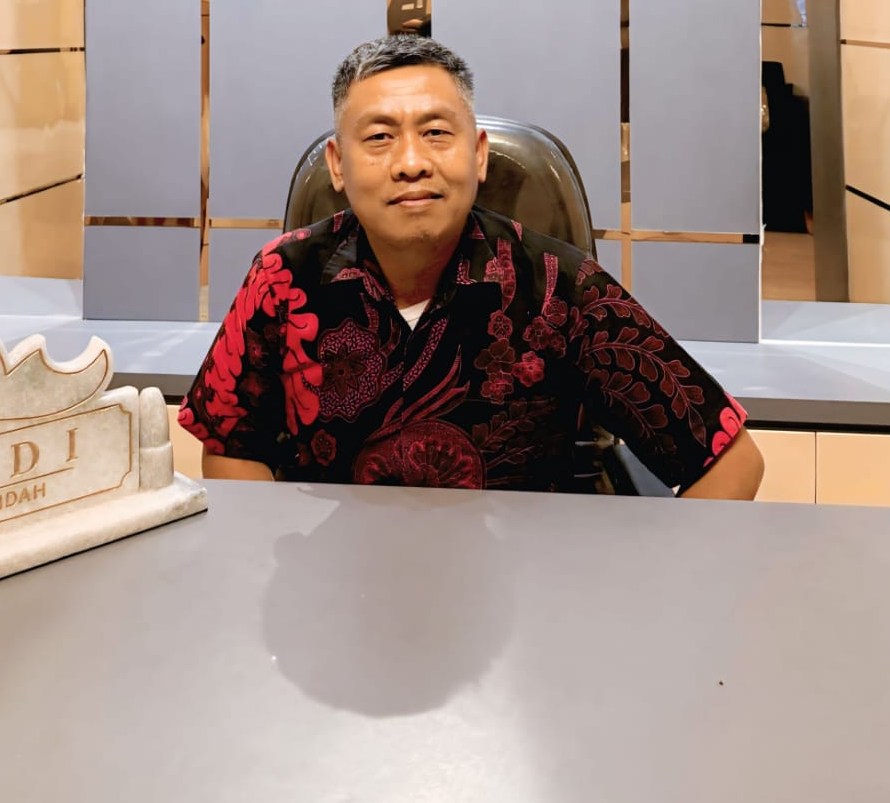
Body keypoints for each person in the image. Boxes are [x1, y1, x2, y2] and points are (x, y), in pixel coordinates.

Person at [179, 35, 764, 498]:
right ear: (337, 165)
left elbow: (731, 462)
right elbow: (232, 446)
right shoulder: (282, 277)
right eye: (379, 137)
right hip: (334, 581)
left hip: (518, 589)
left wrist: (635, 592)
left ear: (478, 155)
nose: (411, 162)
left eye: (436, 133)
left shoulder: (561, 287)